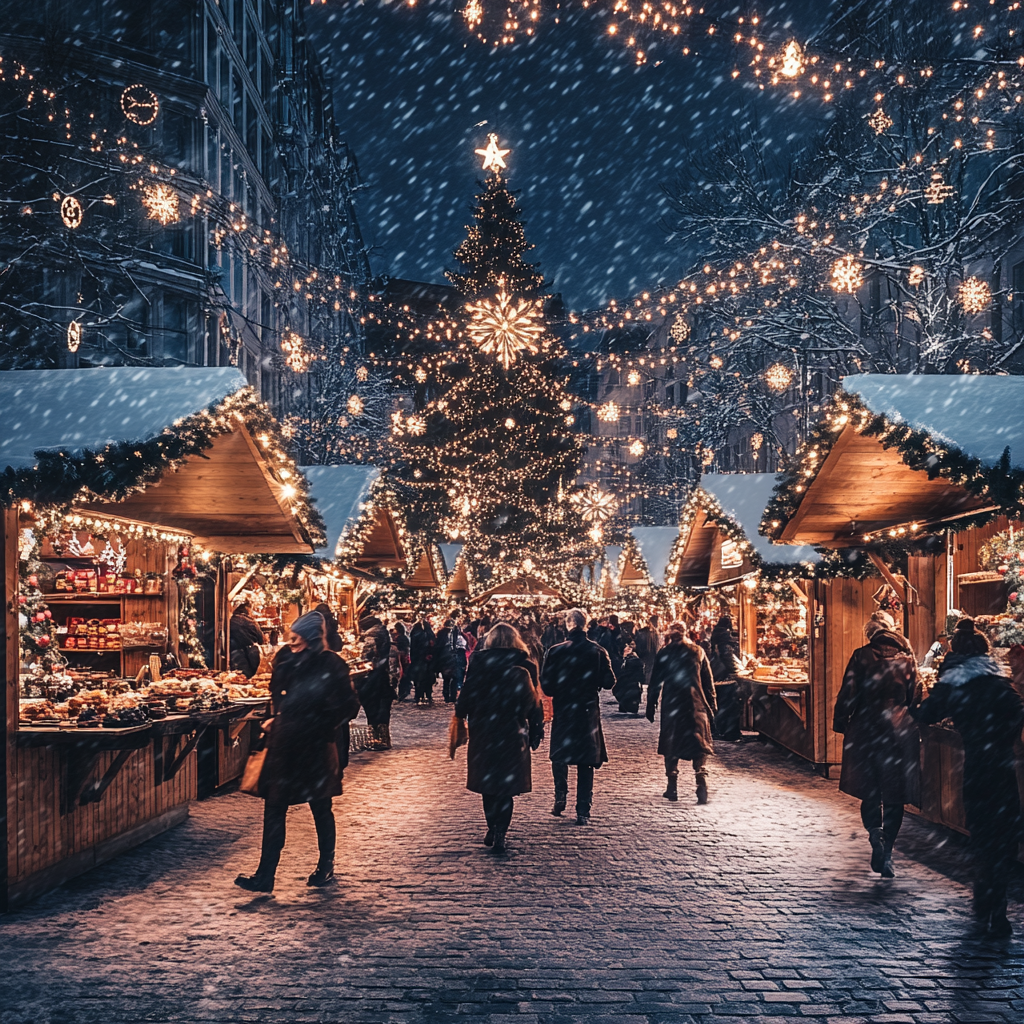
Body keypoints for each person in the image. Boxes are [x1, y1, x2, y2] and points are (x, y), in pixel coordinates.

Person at [912, 618, 1024, 937]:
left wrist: (912, 706)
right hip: (1002, 765)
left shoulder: (955, 678)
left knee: (982, 832)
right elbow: (1017, 710)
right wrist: (1002, 736)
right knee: (1002, 836)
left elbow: (930, 712)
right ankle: (996, 906)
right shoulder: (996, 677)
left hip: (977, 765)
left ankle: (984, 896)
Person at [235, 612, 360, 893]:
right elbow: (278, 694)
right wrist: (278, 717)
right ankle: (265, 875)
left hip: (315, 746)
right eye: (292, 635)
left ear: (311, 637)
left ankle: (325, 865)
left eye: (298, 636)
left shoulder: (331, 663)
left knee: (320, 807)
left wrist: (321, 722)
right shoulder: (285, 658)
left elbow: (348, 705)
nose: (293, 640)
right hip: (285, 745)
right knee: (275, 808)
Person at [833, 614, 921, 879]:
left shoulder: (861, 656)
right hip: (898, 729)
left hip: (866, 728)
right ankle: (888, 851)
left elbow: (848, 692)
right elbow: (915, 696)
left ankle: (875, 833)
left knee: (870, 790)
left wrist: (841, 721)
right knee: (895, 795)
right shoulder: (907, 660)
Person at [454, 623, 545, 854]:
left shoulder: (479, 663)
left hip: (484, 730)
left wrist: (462, 714)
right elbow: (533, 703)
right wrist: (535, 730)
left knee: (489, 784)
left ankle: (493, 826)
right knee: (505, 786)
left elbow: (466, 697)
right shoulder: (526, 665)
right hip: (512, 731)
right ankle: (501, 830)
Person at [540, 608, 617, 825]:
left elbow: (547, 686)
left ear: (568, 625)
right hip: (586, 710)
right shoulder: (597, 651)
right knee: (586, 760)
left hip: (565, 708)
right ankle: (583, 808)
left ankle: (560, 795)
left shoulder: (555, 651)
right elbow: (609, 682)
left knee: (560, 753)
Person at [645, 623, 717, 803]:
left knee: (672, 744)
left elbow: (655, 682)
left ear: (670, 635)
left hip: (673, 705)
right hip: (695, 703)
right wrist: (712, 705)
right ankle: (701, 780)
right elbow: (708, 682)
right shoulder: (697, 651)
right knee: (698, 743)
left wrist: (651, 704)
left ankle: (672, 787)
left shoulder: (665, 652)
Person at [357, 616, 396, 749]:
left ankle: (376, 739)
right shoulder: (383, 632)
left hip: (373, 678)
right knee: (383, 710)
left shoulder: (371, 634)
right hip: (384, 677)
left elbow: (366, 655)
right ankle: (384, 738)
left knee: (372, 709)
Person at [229, 601, 265, 678]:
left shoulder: (230, 621)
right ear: (247, 610)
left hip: (236, 653)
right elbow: (261, 639)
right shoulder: (252, 622)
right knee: (251, 677)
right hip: (252, 653)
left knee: (239, 678)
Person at [437, 618, 468, 704]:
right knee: (453, 677)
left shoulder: (442, 633)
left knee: (448, 678)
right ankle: (451, 696)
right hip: (451, 657)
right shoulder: (453, 633)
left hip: (446, 657)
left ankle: (448, 695)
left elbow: (439, 646)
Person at [612, 643, 645, 714]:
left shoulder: (628, 662)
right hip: (633, 690)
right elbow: (642, 677)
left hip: (627, 689)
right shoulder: (636, 662)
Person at [410, 617, 436, 705]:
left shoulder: (415, 634)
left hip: (418, 660)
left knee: (419, 679)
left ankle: (418, 695)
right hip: (428, 660)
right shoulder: (429, 634)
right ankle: (428, 695)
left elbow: (413, 648)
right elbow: (433, 646)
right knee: (428, 678)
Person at [634, 616, 661, 688]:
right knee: (648, 670)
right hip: (649, 655)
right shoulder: (651, 633)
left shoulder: (652, 632)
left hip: (649, 655)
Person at [393, 621, 412, 701]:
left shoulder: (400, 638)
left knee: (402, 674)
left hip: (402, 657)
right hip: (406, 656)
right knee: (404, 674)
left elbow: (400, 647)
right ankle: (405, 690)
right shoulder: (405, 636)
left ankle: (403, 692)